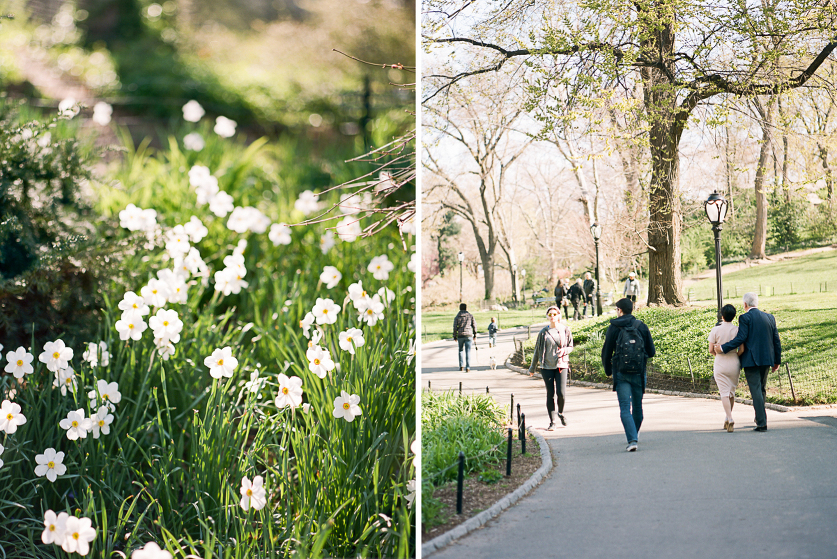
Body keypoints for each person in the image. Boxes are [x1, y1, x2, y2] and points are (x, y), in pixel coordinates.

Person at [714, 293, 782, 432]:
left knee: (756, 390)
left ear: (745, 305)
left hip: (751, 360)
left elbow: (741, 338)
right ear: (756, 303)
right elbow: (776, 340)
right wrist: (777, 360)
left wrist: (723, 348)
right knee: (761, 389)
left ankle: (762, 423)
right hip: (767, 359)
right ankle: (759, 418)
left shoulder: (745, 317)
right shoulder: (770, 317)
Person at [601, 298, 656, 452]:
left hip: (621, 372)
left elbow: (606, 352)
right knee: (638, 406)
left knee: (625, 407)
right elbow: (651, 351)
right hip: (639, 372)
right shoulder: (641, 326)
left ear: (619, 310)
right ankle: (634, 435)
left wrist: (608, 369)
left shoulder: (613, 328)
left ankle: (632, 439)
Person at [529, 306, 574, 430]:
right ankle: (552, 421)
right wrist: (532, 368)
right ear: (547, 316)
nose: (552, 316)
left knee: (561, 393)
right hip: (546, 366)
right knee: (550, 394)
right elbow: (537, 350)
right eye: (550, 314)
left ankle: (561, 413)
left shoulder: (565, 330)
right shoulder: (543, 332)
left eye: (554, 314)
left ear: (559, 315)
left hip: (561, 365)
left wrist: (564, 350)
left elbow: (571, 346)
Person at [708, 304, 746, 432]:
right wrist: (735, 355)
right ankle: (727, 417)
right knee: (731, 392)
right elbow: (742, 349)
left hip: (720, 362)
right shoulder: (737, 330)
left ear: (722, 315)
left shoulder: (715, 330)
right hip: (734, 362)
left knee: (724, 393)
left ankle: (729, 418)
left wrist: (717, 355)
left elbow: (710, 350)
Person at [453, 303, 477, 372]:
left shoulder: (457, 317)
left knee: (460, 350)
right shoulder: (470, 316)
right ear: (466, 308)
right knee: (468, 351)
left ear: (460, 308)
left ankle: (461, 365)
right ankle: (468, 367)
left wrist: (455, 336)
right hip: (469, 335)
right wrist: (475, 334)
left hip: (460, 335)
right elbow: (474, 325)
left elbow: (455, 327)